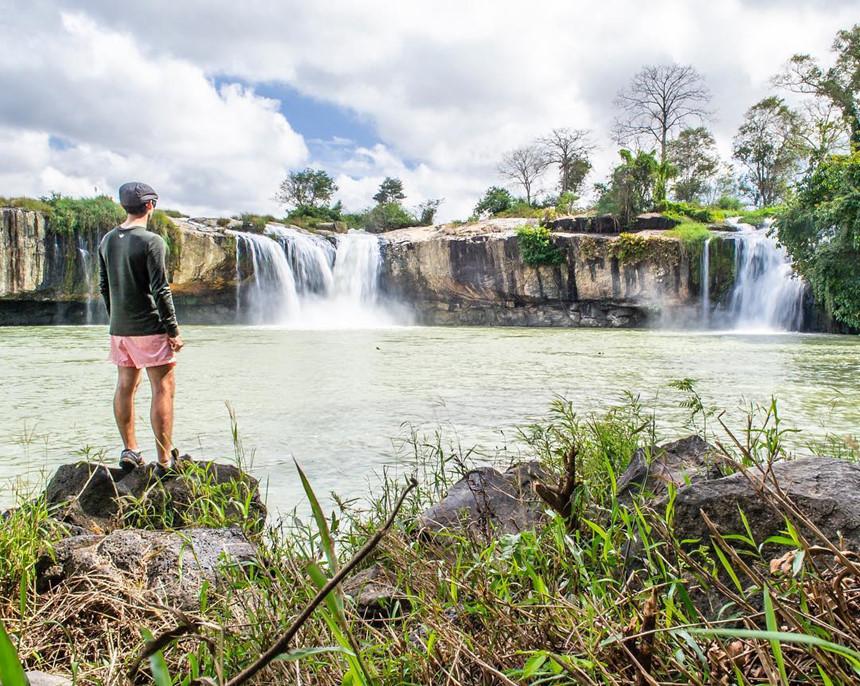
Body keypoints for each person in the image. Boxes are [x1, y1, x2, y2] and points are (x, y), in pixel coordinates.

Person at [98, 182, 184, 475]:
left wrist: (117, 320)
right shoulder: (151, 241)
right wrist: (172, 330)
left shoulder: (107, 240)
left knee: (125, 385)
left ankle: (130, 450)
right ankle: (163, 461)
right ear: (150, 206)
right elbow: (161, 290)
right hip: (149, 326)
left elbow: (104, 286)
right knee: (163, 387)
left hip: (119, 329)